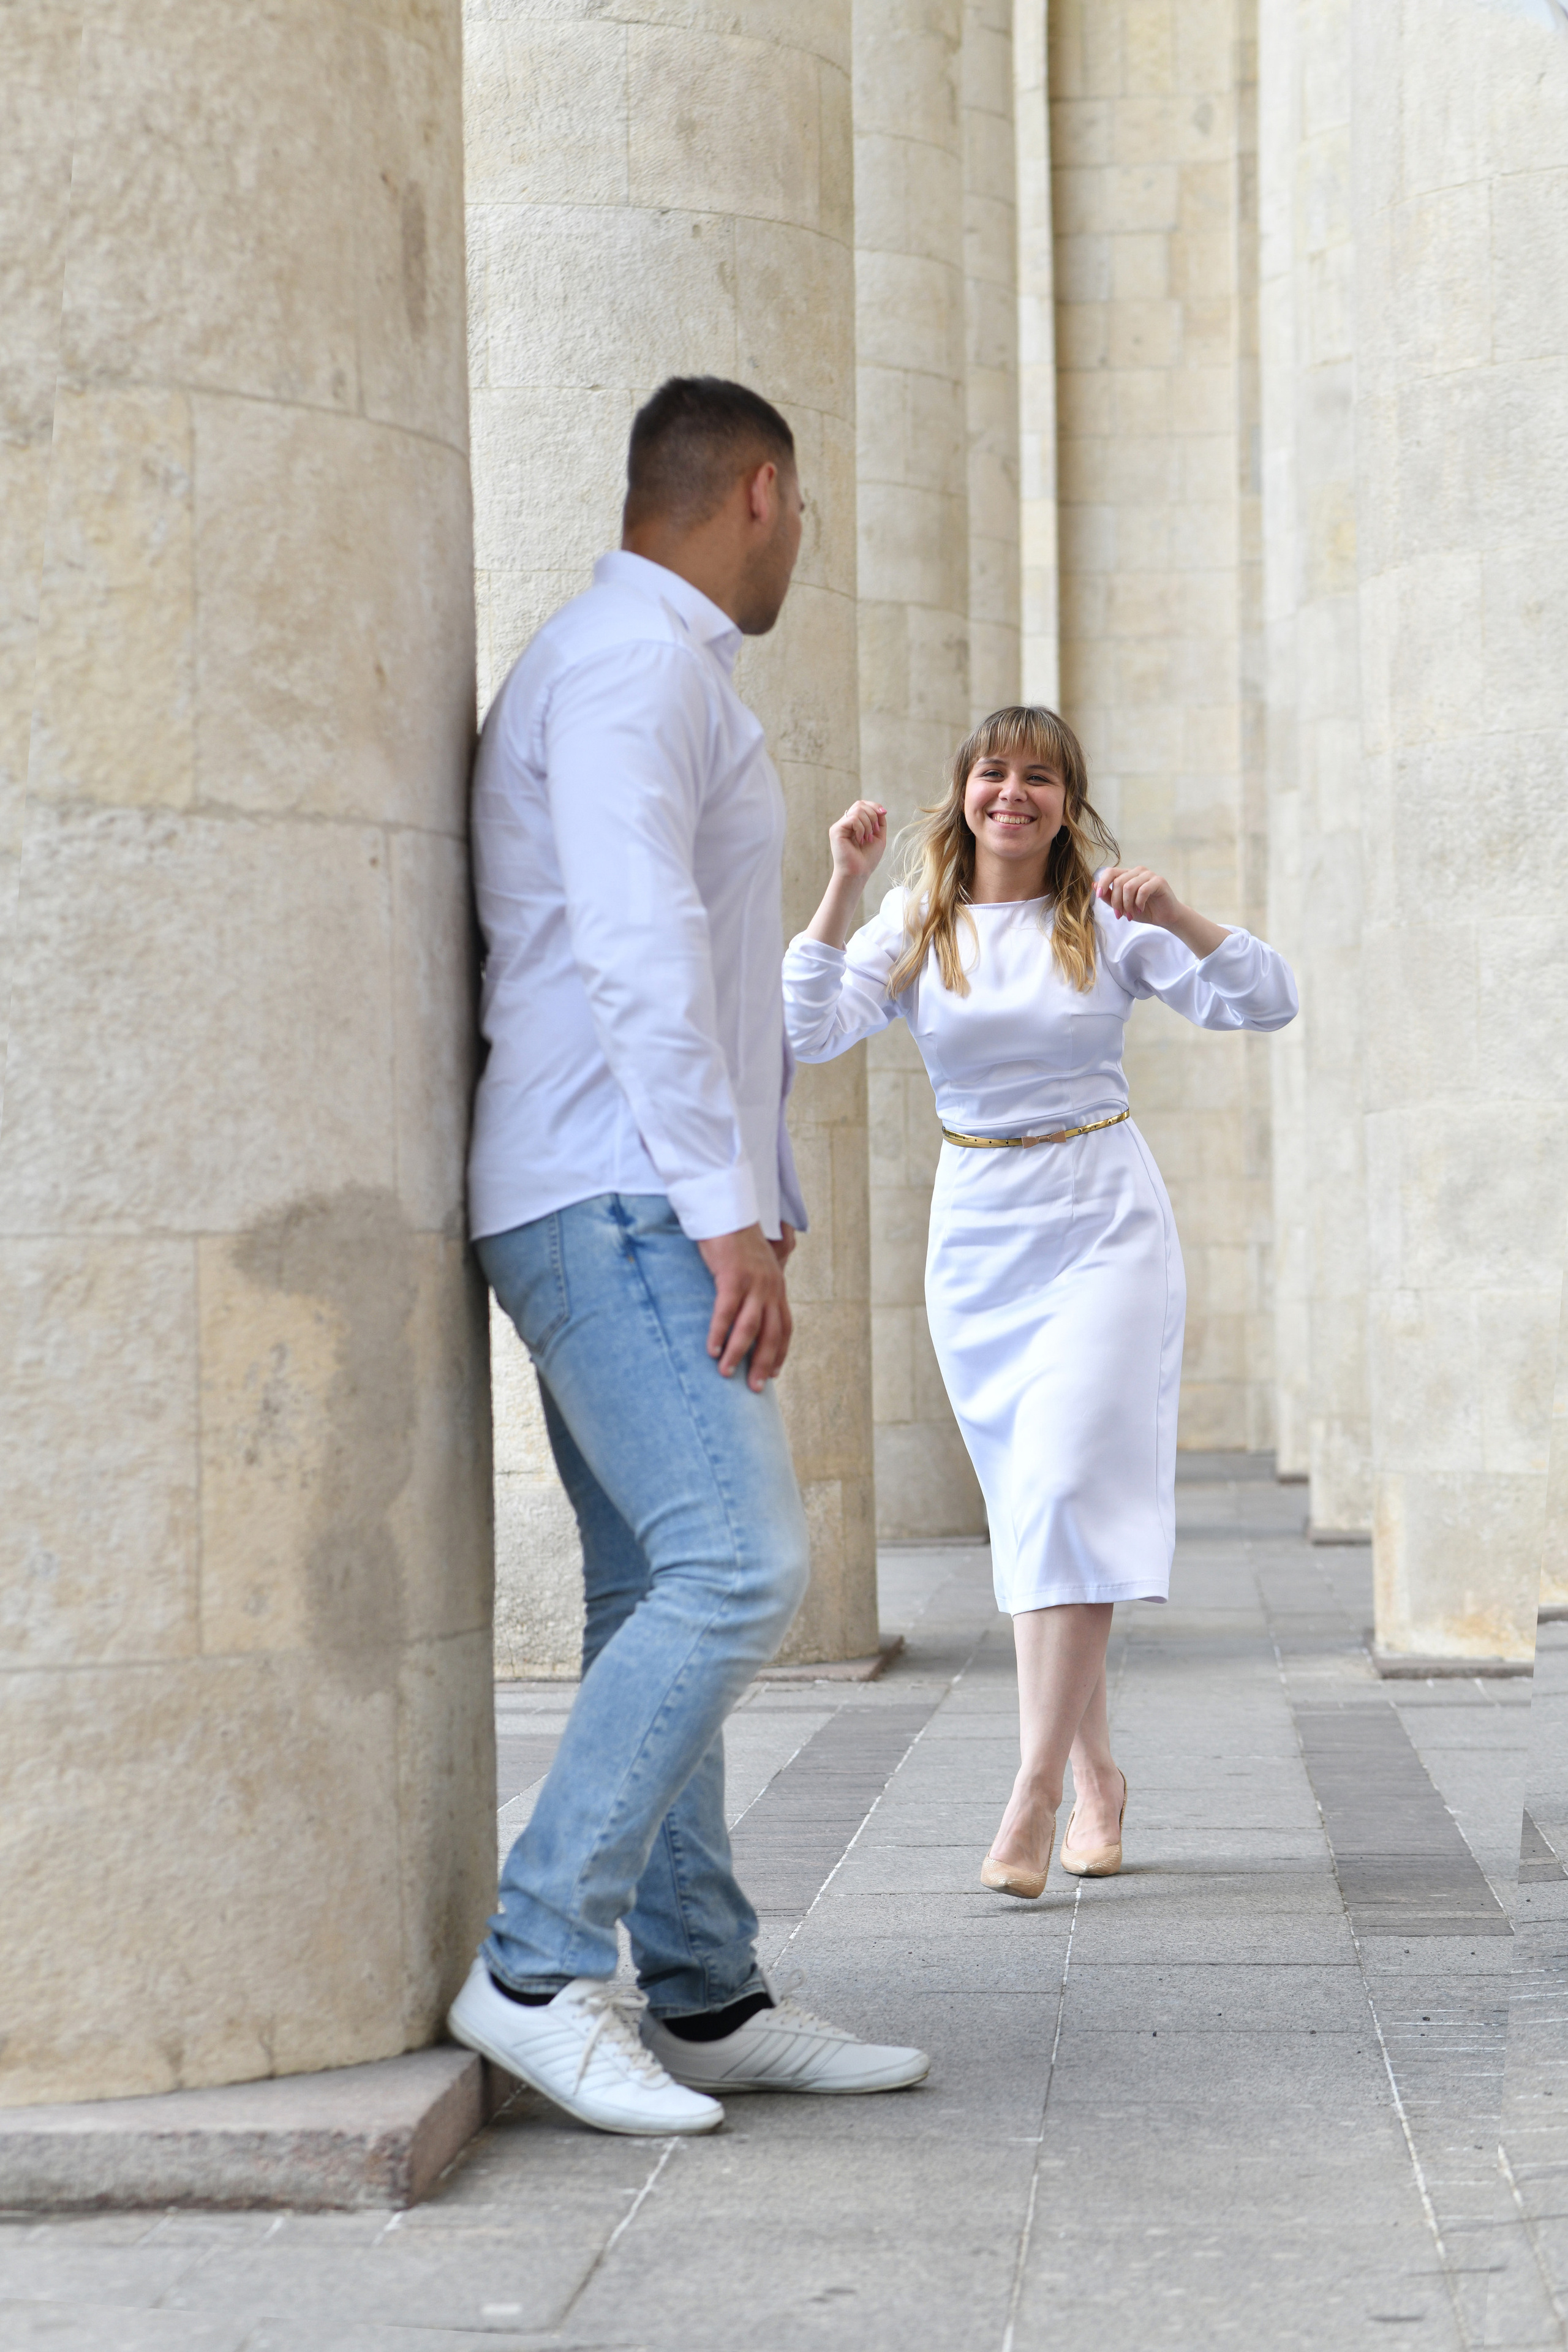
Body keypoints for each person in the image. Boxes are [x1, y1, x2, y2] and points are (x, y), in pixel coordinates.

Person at [448, 377, 928, 2136]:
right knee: (739, 1567)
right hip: (615, 1194)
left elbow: (706, 980)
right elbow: (640, 954)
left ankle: (705, 1990)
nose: (802, 543)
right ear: (762, 493)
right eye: (804, 516)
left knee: (651, 1588)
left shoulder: (643, 665)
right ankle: (532, 1968)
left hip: (625, 1186)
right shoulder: (630, 666)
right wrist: (724, 1211)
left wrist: (758, 1187)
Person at [782, 707, 1297, 1899]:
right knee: (1035, 1512)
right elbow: (807, 1028)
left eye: (1039, 777)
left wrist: (1178, 915)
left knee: (1065, 1487)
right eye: (993, 772)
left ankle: (1029, 1793)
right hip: (979, 1238)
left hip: (1103, 1223)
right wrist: (842, 880)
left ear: (1068, 803)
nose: (1012, 793)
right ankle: (1097, 1775)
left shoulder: (1105, 919)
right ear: (962, 790)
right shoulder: (916, 917)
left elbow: (1263, 1000)